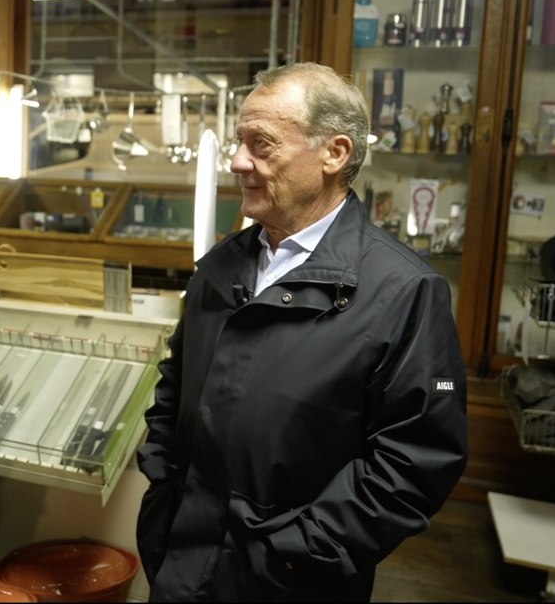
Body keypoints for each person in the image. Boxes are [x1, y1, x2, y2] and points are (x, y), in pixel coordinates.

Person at [135, 62, 468, 602]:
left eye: (261, 144)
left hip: (292, 580)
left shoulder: (404, 291)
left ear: (334, 154)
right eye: (240, 141)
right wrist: (163, 488)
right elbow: (175, 384)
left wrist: (293, 554)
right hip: (180, 559)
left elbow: (414, 463)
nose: (238, 161)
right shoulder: (220, 267)